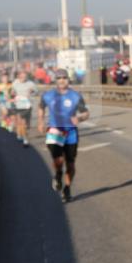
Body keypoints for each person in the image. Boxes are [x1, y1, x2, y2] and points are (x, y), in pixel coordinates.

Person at [38, 69, 90, 202]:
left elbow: (86, 112)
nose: (62, 80)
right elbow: (41, 107)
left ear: (68, 79)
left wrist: (79, 118)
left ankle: (67, 188)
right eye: (59, 78)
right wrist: (41, 121)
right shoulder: (48, 95)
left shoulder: (75, 96)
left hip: (71, 132)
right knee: (58, 160)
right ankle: (58, 174)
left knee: (70, 163)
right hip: (54, 131)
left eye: (64, 78)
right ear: (55, 80)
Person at [10, 70, 38, 147]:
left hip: (27, 106)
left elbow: (36, 91)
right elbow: (12, 91)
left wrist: (32, 91)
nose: (23, 78)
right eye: (21, 77)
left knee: (25, 123)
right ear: (18, 76)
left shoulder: (30, 83)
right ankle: (22, 135)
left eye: (25, 77)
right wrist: (12, 94)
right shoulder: (15, 82)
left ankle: (24, 136)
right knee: (20, 122)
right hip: (18, 105)